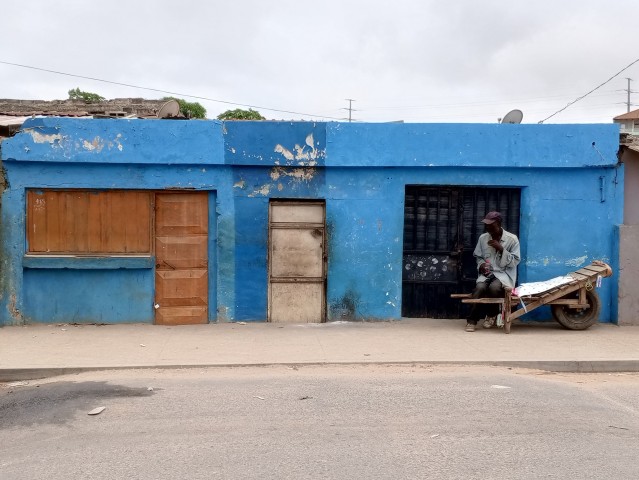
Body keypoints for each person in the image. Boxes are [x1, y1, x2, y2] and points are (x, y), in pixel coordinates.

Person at [465, 211, 520, 332]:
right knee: (479, 288)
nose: (488, 228)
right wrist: (481, 265)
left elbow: (515, 261)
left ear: (499, 223)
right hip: (487, 273)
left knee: (494, 288)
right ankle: (471, 321)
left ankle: (491, 315)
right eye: (486, 225)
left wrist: (501, 249)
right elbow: (478, 256)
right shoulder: (483, 238)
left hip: (503, 274)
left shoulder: (512, 239)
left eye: (491, 225)